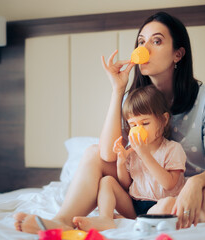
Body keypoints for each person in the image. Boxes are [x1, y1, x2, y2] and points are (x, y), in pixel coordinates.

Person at [14, 11, 205, 233]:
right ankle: (62, 221)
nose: (143, 49)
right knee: (93, 153)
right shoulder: (131, 98)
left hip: (187, 191)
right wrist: (118, 89)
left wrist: (194, 185)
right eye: (141, 41)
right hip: (141, 191)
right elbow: (106, 155)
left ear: (178, 54)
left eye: (156, 41)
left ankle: (164, 213)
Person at [72, 85, 187, 231]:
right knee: (107, 181)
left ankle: (143, 220)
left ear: (163, 120)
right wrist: (121, 161)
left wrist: (145, 154)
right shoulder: (132, 151)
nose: (139, 128)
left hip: (160, 204)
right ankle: (105, 218)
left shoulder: (172, 149)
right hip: (134, 205)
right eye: (133, 124)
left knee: (170, 203)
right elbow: (126, 185)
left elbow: (169, 184)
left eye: (145, 123)